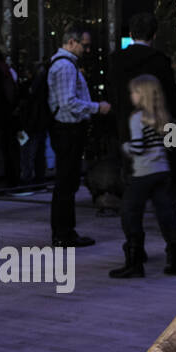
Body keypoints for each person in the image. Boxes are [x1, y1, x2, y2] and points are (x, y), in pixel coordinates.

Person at [109, 75, 176, 278]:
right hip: (161, 171)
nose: (132, 96)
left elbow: (137, 147)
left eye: (134, 92)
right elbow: (171, 146)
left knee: (130, 214)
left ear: (142, 95)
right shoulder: (167, 118)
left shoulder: (137, 118)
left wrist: (125, 147)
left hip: (142, 173)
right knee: (166, 216)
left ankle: (134, 262)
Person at [47, 24, 110, 247]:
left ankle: (65, 232)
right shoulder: (65, 67)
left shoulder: (65, 65)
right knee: (66, 182)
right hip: (68, 130)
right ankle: (64, 233)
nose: (87, 50)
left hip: (66, 130)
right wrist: (96, 107)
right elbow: (68, 103)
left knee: (67, 182)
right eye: (85, 45)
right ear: (71, 42)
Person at [109, 12, 176, 140]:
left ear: (131, 34)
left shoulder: (116, 60)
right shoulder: (160, 60)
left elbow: (112, 95)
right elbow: (171, 97)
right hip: (159, 127)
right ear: (154, 35)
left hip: (126, 129)